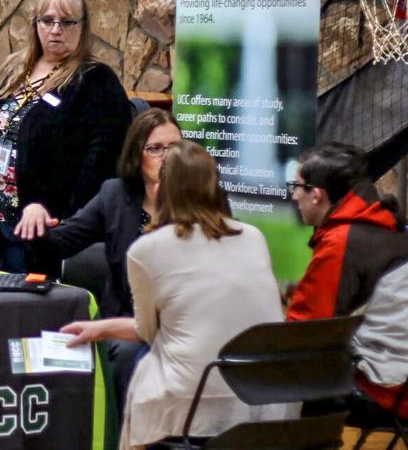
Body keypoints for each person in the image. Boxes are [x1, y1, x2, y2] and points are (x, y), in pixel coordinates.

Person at [60, 141, 295, 448]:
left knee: (144, 365)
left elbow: (148, 332)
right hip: (260, 397)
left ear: (161, 190)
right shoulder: (252, 236)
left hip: (192, 401)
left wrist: (102, 328)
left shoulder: (147, 250)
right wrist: (102, 327)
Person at [0, 0, 131, 274]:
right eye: (48, 21)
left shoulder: (95, 81)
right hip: (3, 224)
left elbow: (102, 161)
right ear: (35, 24)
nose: (56, 29)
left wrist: (69, 222)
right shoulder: (13, 70)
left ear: (83, 26)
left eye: (66, 22)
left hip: (52, 232)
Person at [19, 108, 181, 415]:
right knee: (132, 354)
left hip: (182, 323)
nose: (166, 157)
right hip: (124, 322)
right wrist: (35, 217)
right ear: (137, 154)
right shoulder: (115, 195)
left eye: (175, 148)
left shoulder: (200, 198)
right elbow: (58, 244)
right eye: (155, 148)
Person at [286, 142, 408, 418]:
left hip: (384, 390)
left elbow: (304, 330)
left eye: (296, 186)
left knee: (288, 378)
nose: (293, 196)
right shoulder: (387, 224)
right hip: (399, 383)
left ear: (316, 195)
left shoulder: (340, 242)